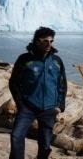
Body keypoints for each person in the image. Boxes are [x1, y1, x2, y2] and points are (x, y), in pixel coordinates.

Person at [9, 27, 67, 159]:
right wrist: (21, 103)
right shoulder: (24, 59)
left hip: (49, 109)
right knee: (16, 136)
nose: (49, 44)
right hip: (28, 107)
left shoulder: (56, 61)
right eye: (45, 41)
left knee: (45, 145)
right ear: (36, 41)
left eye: (51, 41)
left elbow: (62, 84)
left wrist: (60, 106)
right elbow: (13, 83)